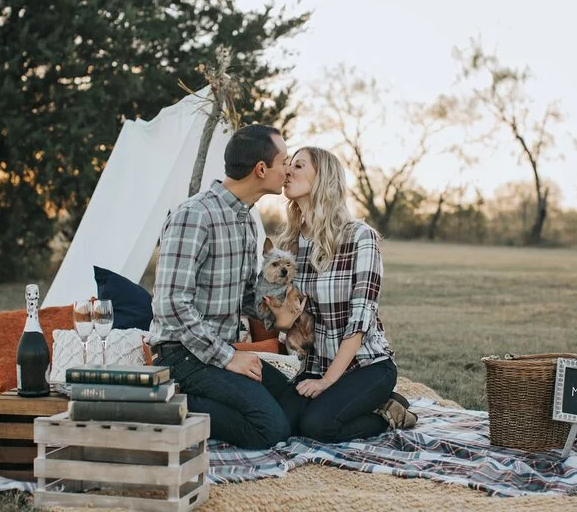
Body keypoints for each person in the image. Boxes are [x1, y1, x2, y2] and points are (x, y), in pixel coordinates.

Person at [149, 124, 292, 449]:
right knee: (270, 429)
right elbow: (170, 304)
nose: (287, 169)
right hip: (181, 357)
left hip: (216, 355)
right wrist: (229, 358)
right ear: (261, 169)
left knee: (293, 403)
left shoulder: (245, 221)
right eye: (284, 161)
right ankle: (164, 405)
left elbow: (242, 298)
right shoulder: (194, 215)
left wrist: (278, 309)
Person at [272, 147, 417, 443]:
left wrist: (327, 382)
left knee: (317, 426)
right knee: (283, 424)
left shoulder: (360, 237)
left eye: (298, 166)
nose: (288, 171)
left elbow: (360, 321)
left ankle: (387, 412)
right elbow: (291, 320)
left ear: (323, 177)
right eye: (288, 165)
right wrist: (284, 322)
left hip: (366, 365)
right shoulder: (291, 243)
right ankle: (344, 401)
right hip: (315, 364)